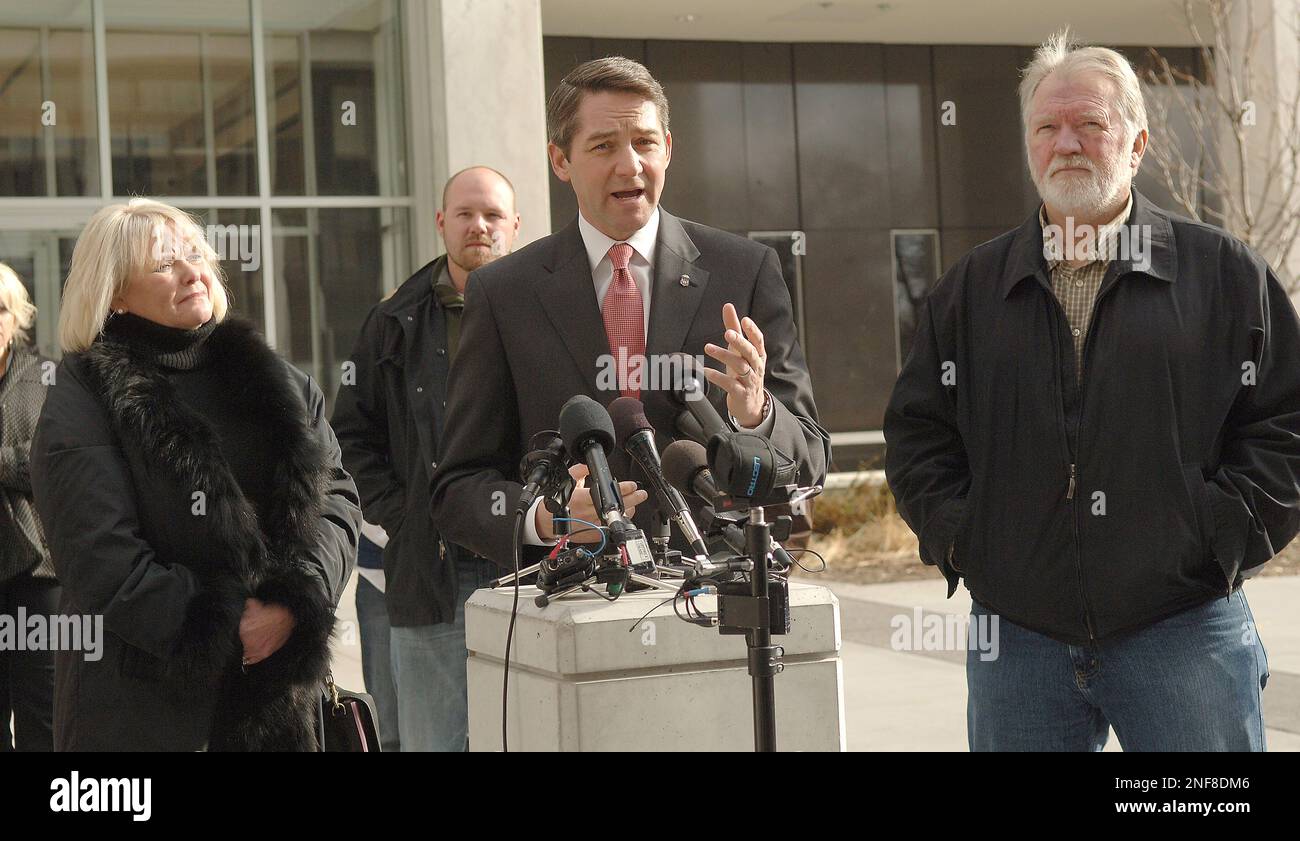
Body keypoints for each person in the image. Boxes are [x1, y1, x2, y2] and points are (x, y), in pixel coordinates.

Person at [884, 31, 1298, 751]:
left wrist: (1218, 536)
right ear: (1028, 145)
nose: (1066, 143)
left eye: (1091, 125)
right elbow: (920, 433)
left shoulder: (1224, 274)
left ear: (1136, 144)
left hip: (1182, 623)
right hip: (1018, 637)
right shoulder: (970, 290)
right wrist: (965, 538)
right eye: (1047, 127)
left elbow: (1286, 423)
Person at [430, 57, 828, 576]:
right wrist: (548, 516)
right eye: (603, 146)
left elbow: (811, 460)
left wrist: (756, 412)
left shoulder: (745, 271)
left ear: (668, 147)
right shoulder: (504, 292)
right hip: (575, 591)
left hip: (722, 589)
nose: (629, 165)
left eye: (644, 142)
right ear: (560, 160)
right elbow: (459, 489)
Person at [31, 199, 361, 751]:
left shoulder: (276, 380)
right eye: (165, 264)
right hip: (142, 713)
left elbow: (335, 499)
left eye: (195, 254)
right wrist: (231, 625)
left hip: (277, 711)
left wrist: (294, 599)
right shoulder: (84, 395)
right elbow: (101, 556)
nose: (192, 271)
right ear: (113, 292)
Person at [332, 166, 521, 751]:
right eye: (465, 214)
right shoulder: (393, 320)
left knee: (522, 731)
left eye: (492, 215)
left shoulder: (540, 312)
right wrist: (407, 511)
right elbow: (349, 436)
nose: (479, 226)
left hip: (524, 559)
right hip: (431, 562)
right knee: (429, 741)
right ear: (442, 223)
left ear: (516, 225)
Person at [0, 263, 56, 751]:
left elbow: (49, 464)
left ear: (16, 316)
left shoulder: (46, 378)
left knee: (44, 713)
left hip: (37, 571)